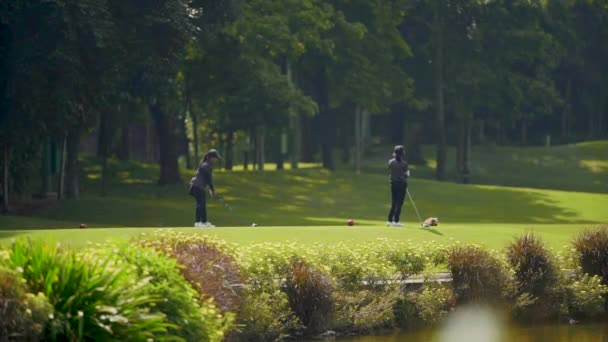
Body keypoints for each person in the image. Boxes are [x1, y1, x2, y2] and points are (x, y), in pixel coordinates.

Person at [189, 149, 221, 228]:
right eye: (215, 158)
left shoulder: (206, 164)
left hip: (198, 186)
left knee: (202, 203)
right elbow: (209, 178)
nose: (216, 160)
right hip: (196, 186)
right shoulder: (206, 165)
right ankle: (197, 222)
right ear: (210, 157)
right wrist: (212, 189)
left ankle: (204, 222)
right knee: (200, 203)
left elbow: (208, 179)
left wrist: (211, 189)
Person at [387, 145, 410, 227]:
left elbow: (391, 170)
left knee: (394, 202)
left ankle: (389, 220)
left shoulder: (391, 162)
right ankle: (396, 221)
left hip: (393, 184)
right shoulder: (404, 164)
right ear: (402, 153)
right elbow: (407, 174)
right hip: (402, 184)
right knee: (399, 203)